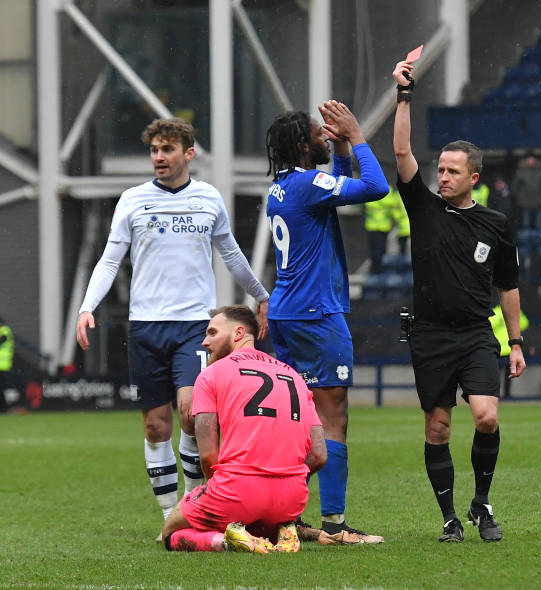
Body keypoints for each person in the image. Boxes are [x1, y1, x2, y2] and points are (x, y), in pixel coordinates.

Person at [76, 118, 270, 537]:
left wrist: (260, 294)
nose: (159, 157)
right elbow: (110, 260)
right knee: (155, 426)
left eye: (167, 149)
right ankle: (169, 515)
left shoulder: (208, 199)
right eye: (154, 150)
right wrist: (87, 306)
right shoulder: (132, 200)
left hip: (195, 326)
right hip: (146, 324)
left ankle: (194, 503)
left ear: (188, 153)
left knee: (190, 415)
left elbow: (231, 252)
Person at [392, 57, 526, 543]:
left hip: (474, 334)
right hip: (428, 333)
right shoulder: (424, 209)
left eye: (452, 171)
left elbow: (508, 285)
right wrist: (404, 93)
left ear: (473, 177)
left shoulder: (496, 223)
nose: (442, 177)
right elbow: (402, 148)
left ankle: (481, 503)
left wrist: (515, 342)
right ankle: (450, 519)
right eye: (440, 169)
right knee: (439, 429)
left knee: (487, 416)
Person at [265, 100, 388, 543]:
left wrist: (337, 153)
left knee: (297, 418)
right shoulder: (305, 185)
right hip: (316, 312)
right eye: (319, 134)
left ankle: (286, 514)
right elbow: (376, 188)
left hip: (286, 311)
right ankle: (335, 525)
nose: (326, 135)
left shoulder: (281, 187)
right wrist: (356, 135)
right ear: (303, 146)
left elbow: (331, 187)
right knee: (333, 416)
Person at [162, 305, 327, 553]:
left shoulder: (211, 375)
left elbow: (207, 455)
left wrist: (220, 495)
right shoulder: (293, 376)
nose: (205, 342)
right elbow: (318, 454)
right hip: (291, 498)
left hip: (237, 491)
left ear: (239, 333)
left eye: (212, 332)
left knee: (170, 531)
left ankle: (226, 542)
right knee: (256, 518)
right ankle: (279, 529)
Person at [511, 152, 541, 230]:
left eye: (532, 160)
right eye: (529, 160)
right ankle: (527, 241)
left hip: (538, 201)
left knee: (539, 225)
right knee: (526, 225)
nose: (530, 162)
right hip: (525, 203)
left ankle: (539, 241)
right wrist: (520, 196)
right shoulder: (521, 171)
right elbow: (515, 186)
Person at [364, 191, 394, 274]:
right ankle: (375, 269)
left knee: (381, 250)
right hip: (371, 227)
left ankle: (380, 269)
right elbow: (367, 203)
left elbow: (391, 202)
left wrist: (376, 201)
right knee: (373, 250)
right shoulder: (370, 188)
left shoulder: (388, 189)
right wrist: (382, 201)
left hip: (383, 227)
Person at [0, 316, 15, 413]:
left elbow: (2, 340)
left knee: (1, 387)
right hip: (2, 365)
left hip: (3, 365)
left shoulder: (5, 330)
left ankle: (3, 407)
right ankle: (4, 407)